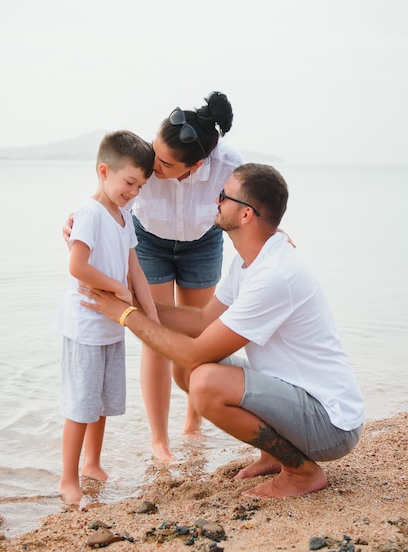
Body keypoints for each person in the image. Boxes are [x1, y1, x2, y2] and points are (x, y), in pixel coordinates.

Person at [78, 162, 365, 499]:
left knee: (205, 381)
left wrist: (126, 314)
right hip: (301, 399)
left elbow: (196, 350)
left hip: (330, 424)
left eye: (223, 196)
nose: (215, 200)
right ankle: (274, 455)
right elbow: (202, 320)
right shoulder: (250, 259)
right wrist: (132, 296)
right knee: (188, 370)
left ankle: (301, 472)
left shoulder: (274, 275)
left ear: (246, 215)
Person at [64, 91, 243, 462]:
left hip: (202, 243)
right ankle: (159, 440)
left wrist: (275, 237)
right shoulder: (146, 157)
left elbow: (250, 208)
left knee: (199, 331)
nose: (153, 164)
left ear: (194, 167)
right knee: (155, 333)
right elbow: (109, 192)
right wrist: (76, 219)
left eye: (163, 163)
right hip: (148, 242)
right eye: (154, 151)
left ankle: (194, 420)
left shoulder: (227, 165)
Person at [56, 130, 158, 504]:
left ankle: (92, 464)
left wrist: (152, 320)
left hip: (112, 326)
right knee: (80, 405)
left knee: (101, 403)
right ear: (104, 171)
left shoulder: (124, 218)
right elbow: (77, 265)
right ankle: (68, 478)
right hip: (84, 325)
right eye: (129, 182)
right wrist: (117, 289)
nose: (133, 191)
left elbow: (137, 272)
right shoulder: (89, 212)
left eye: (140, 186)